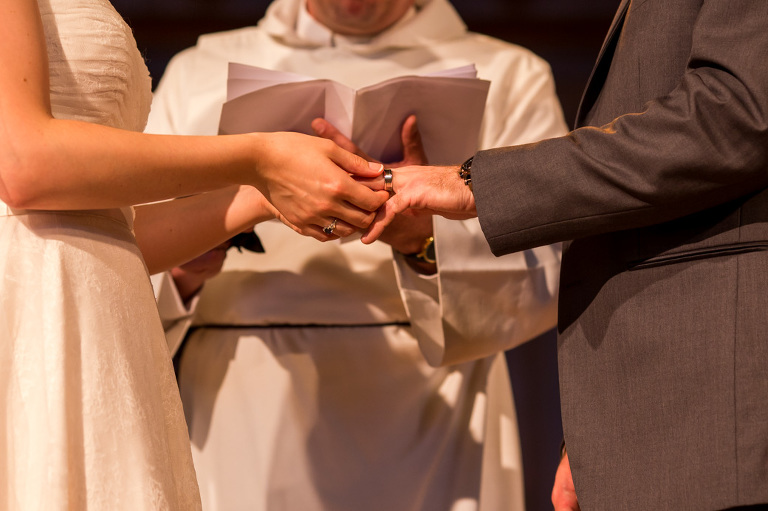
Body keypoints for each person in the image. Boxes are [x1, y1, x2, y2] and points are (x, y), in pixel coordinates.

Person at [147, 0, 567, 509]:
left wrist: (422, 241)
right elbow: (130, 252)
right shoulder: (201, 71)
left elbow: (550, 266)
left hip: (437, 405)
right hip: (241, 395)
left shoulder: (510, 73)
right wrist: (184, 269)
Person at [359, 0, 768, 509]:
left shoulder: (511, 68)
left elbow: (736, 115)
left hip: (723, 405)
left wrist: (468, 184)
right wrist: (601, 432)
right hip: (664, 403)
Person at [0, 0, 388, 508]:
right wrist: (257, 157)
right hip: (30, 312)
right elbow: (25, 165)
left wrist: (263, 194)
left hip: (102, 322)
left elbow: (113, 230)